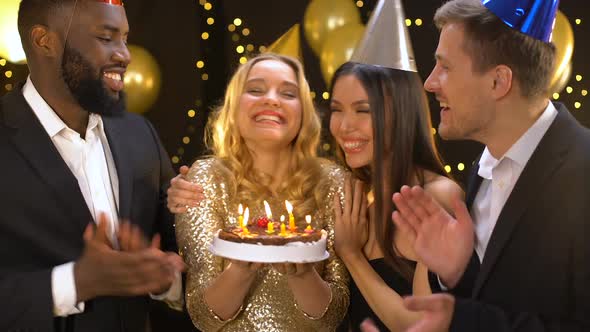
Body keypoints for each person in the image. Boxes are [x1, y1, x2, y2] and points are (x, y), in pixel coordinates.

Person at [389, 0, 590, 331]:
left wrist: (458, 319)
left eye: (445, 67)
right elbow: (499, 300)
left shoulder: (583, 173)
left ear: (499, 82)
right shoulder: (481, 171)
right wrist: (457, 273)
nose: (430, 83)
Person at [0, 0, 185, 331]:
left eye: (125, 38)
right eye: (106, 37)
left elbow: (173, 255)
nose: (125, 55)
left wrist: (164, 279)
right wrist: (75, 282)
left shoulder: (139, 134)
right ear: (45, 41)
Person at [173, 53, 350, 331]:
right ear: (233, 108)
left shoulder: (331, 181)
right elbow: (203, 317)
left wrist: (302, 273)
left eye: (288, 93)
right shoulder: (206, 179)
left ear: (304, 113)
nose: (271, 99)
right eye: (255, 90)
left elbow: (332, 317)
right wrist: (241, 268)